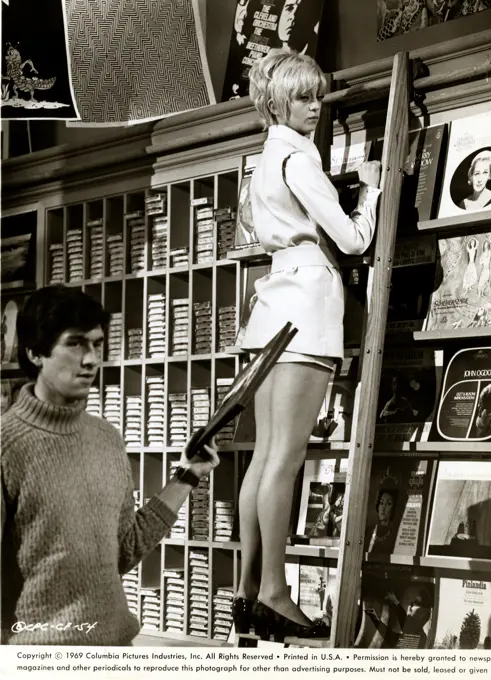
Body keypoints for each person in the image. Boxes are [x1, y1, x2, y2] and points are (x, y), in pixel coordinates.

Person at [233, 48, 381, 640]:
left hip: (271, 307)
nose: (314, 107)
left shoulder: (264, 159)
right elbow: (349, 240)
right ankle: (272, 592)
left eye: (317, 95)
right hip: (306, 305)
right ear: (275, 100)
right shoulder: (300, 158)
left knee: (266, 458)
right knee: (286, 460)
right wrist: (367, 195)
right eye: (302, 96)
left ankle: (247, 594)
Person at [0, 285, 219, 646]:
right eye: (75, 343)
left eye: (97, 344)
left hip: (115, 648)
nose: (90, 359)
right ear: (35, 352)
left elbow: (123, 549)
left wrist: (187, 476)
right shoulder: (8, 446)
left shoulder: (107, 438)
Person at [365, 489, 398, 555]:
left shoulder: (395, 534)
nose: (383, 508)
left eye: (388, 504)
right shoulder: (369, 531)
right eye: (381, 503)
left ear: (393, 508)